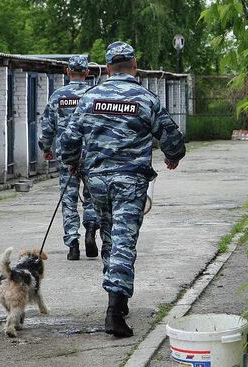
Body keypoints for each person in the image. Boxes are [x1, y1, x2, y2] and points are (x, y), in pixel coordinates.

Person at [61, 42, 186, 337]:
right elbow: (171, 137)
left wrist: (70, 163)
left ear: (106, 68)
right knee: (124, 241)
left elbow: (68, 139)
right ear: (134, 64)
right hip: (130, 181)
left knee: (109, 235)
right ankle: (115, 312)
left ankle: (117, 297)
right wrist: (172, 156)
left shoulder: (90, 98)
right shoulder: (145, 98)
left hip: (97, 182)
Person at [38, 55, 100, 261]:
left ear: (67, 72)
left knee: (68, 200)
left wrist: (45, 147)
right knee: (92, 197)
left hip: (67, 156)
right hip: (92, 156)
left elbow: (47, 127)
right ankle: (91, 231)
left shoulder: (58, 96)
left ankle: (73, 245)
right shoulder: (96, 94)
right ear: (87, 72)